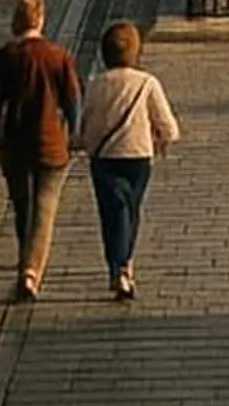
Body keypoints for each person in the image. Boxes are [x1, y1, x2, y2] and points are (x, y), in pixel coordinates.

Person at [0, 0, 81, 299]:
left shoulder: (5, 56)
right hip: (51, 144)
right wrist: (73, 134)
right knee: (45, 209)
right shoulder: (58, 55)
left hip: (13, 143)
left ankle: (25, 259)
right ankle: (31, 271)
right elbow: (73, 102)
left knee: (22, 206)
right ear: (40, 20)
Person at [75, 21, 179, 301]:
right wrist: (159, 140)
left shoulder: (96, 83)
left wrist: (87, 145)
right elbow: (169, 127)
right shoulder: (147, 83)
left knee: (111, 212)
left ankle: (117, 265)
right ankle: (125, 265)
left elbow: (87, 123)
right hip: (139, 157)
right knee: (131, 209)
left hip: (105, 158)